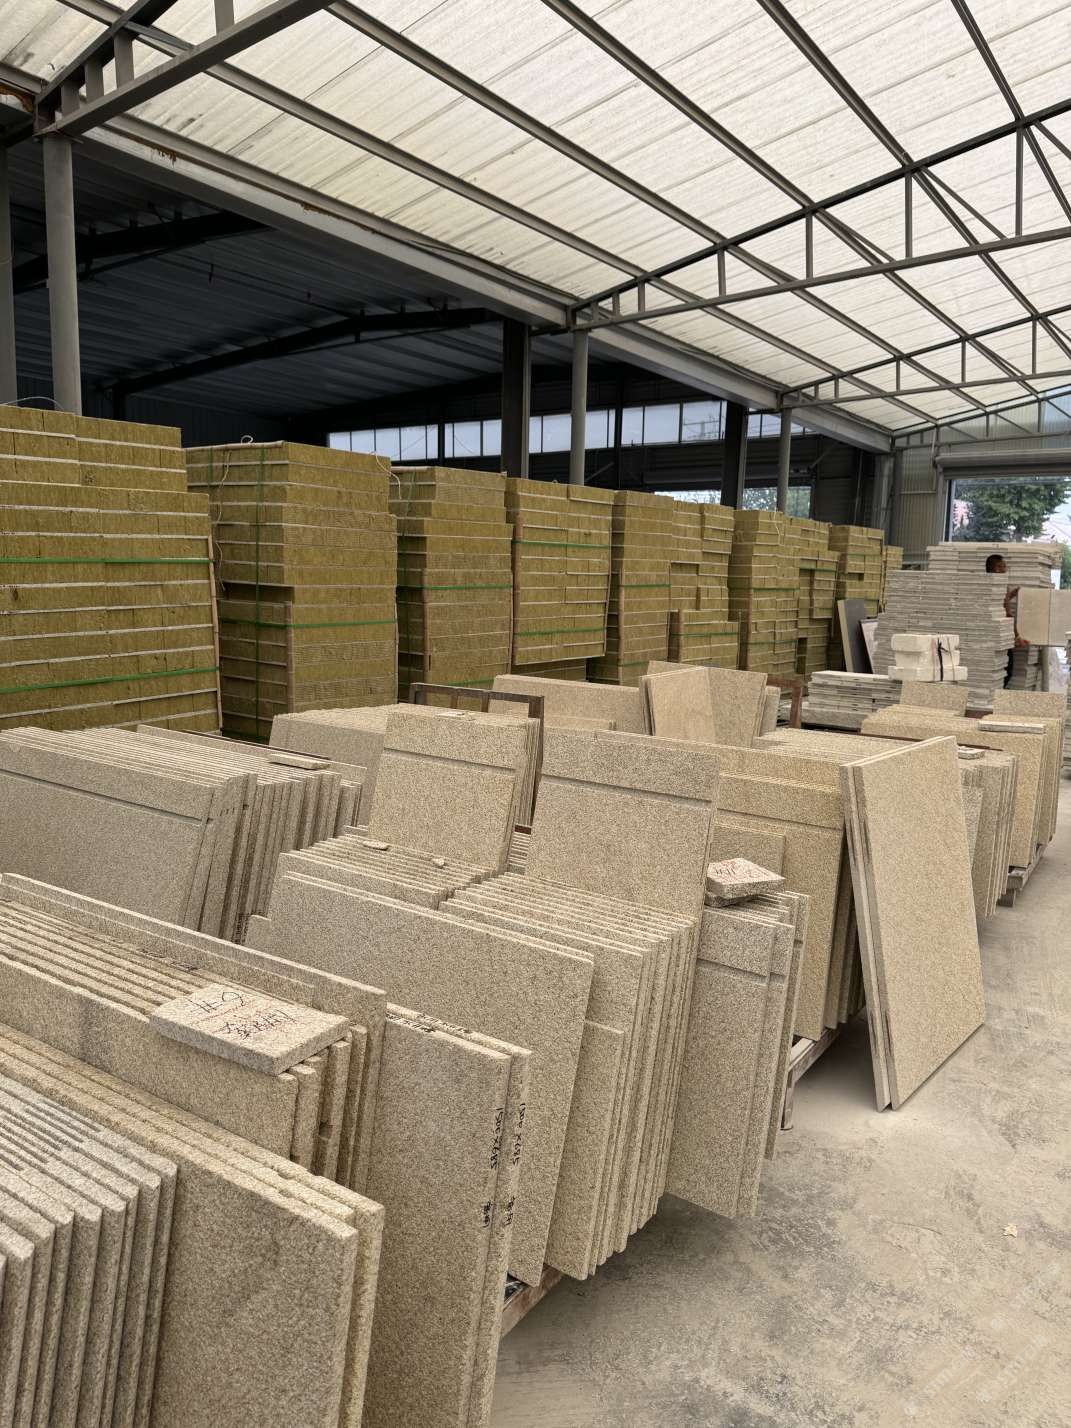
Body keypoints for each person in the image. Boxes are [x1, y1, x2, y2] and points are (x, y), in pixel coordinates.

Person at [986, 552, 1026, 686]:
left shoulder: (1000, 587)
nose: (1003, 570)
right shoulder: (994, 587)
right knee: (1006, 670)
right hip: (1000, 634)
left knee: (1002, 669)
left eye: (1004, 566)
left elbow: (1003, 603)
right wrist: (1017, 636)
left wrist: (1011, 595)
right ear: (990, 569)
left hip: (995, 633)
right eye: (999, 567)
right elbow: (1007, 614)